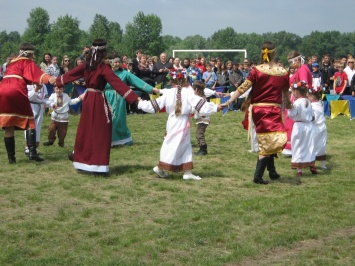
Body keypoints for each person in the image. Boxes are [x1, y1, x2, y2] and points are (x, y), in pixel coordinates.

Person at [54, 39, 138, 176]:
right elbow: (117, 83)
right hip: (98, 100)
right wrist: (134, 99)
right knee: (101, 132)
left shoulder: (86, 65)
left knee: (86, 130)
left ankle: (82, 159)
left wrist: (57, 81)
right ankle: (98, 165)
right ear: (104, 52)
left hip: (88, 100)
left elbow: (70, 74)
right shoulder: (103, 68)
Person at [221, 41, 291, 184]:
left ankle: (272, 171)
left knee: (271, 138)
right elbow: (286, 93)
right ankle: (257, 176)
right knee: (269, 140)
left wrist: (230, 100)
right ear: (275, 54)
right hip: (273, 109)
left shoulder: (256, 70)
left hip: (260, 110)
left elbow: (242, 88)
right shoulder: (283, 72)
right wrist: (290, 105)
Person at [137, 69, 222, 180]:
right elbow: (200, 104)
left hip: (172, 121)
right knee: (175, 145)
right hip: (180, 122)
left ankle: (187, 172)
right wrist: (216, 107)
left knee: (183, 145)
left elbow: (154, 106)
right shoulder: (188, 92)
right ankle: (160, 167)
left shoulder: (169, 92)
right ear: (185, 79)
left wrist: (140, 103)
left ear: (172, 81)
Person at [0, 43, 56, 163]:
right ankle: (32, 152)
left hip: (3, 89)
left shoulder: (12, 62)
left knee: (8, 125)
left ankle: (11, 158)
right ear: (30, 54)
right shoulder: (26, 62)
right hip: (16, 90)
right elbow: (38, 74)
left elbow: (20, 77)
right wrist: (50, 79)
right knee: (30, 121)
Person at [104, 57, 159, 146]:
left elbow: (137, 82)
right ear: (110, 63)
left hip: (118, 99)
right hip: (104, 99)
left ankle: (119, 139)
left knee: (116, 119)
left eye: (119, 62)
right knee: (105, 119)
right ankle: (105, 140)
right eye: (115, 62)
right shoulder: (105, 74)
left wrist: (152, 89)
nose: (117, 64)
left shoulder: (124, 74)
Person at [288, 81, 316, 177]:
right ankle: (312, 165)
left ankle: (299, 169)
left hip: (299, 126)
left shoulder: (297, 102)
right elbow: (313, 116)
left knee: (298, 146)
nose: (292, 93)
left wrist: (290, 108)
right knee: (309, 145)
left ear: (297, 92)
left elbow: (292, 115)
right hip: (309, 126)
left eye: (293, 91)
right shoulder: (308, 101)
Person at [24, 84, 51, 156]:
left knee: (37, 128)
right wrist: (35, 89)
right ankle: (27, 147)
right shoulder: (27, 84)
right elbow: (27, 97)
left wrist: (52, 104)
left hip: (39, 107)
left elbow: (45, 99)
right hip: (30, 106)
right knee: (29, 127)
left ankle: (34, 148)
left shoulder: (43, 86)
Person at [308, 87, 328, 170]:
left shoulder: (311, 106)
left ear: (312, 96)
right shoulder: (321, 103)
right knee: (322, 145)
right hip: (322, 127)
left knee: (312, 145)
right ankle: (323, 164)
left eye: (308, 95)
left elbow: (312, 118)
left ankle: (312, 163)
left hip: (315, 127)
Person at [192, 80, 214, 155]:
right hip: (201, 119)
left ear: (196, 90)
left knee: (199, 134)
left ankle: (203, 149)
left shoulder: (200, 99)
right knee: (198, 133)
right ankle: (201, 148)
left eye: (193, 89)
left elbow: (195, 108)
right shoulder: (200, 97)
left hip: (203, 119)